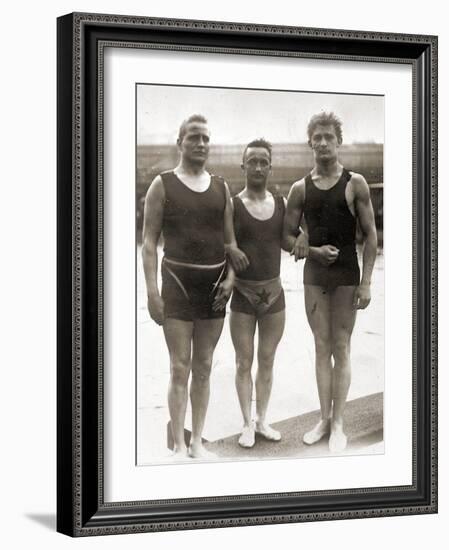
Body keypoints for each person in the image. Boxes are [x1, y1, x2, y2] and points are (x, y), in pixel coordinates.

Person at [142, 114, 248, 460]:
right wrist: (151, 293)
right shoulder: (162, 184)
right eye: (194, 138)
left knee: (203, 367)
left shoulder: (221, 187)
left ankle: (198, 441)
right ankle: (178, 445)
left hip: (214, 286)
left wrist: (231, 280)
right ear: (180, 143)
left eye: (206, 138)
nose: (201, 144)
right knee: (179, 367)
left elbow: (231, 243)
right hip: (176, 284)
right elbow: (148, 244)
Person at [284, 112, 378, 452]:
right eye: (317, 137)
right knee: (321, 348)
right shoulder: (299, 188)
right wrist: (309, 249)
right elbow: (286, 235)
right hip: (314, 275)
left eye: (329, 137)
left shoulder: (355, 184)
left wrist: (367, 282)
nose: (323, 142)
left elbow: (370, 237)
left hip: (346, 274)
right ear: (310, 142)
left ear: (338, 142)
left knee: (341, 346)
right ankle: (324, 419)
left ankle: (339, 424)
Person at [230, 138, 288, 448]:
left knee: (267, 360)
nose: (257, 166)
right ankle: (245, 424)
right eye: (251, 160)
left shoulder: (281, 203)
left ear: (270, 166)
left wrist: (305, 240)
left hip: (274, 292)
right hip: (242, 293)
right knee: (243, 361)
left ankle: (262, 420)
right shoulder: (233, 203)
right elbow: (225, 245)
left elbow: (292, 239)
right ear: (243, 165)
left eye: (263, 161)